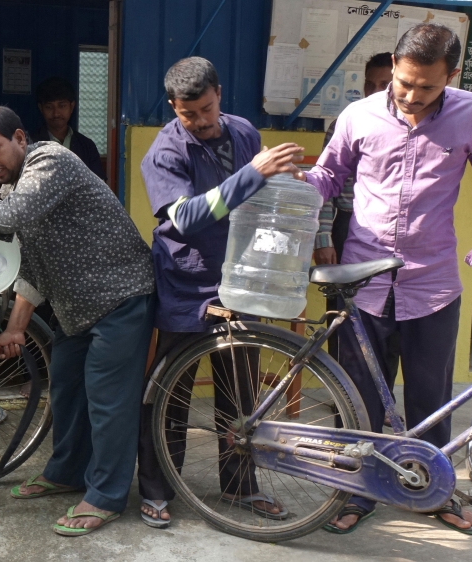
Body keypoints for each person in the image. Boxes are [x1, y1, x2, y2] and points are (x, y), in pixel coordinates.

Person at [306, 23, 472, 535]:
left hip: (433, 283)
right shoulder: (358, 115)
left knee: (432, 398)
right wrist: (297, 185)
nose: (410, 96)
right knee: (357, 397)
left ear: (451, 76)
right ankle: (353, 494)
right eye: (404, 82)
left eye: (426, 87)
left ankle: (431, 492)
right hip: (362, 282)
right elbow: (329, 175)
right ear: (394, 68)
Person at [0, 106, 155, 536]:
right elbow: (32, 267)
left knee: (108, 402)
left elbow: (10, 216)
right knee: (66, 389)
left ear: (19, 138)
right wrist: (16, 327)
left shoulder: (49, 160)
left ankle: (105, 495)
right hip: (76, 309)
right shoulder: (15, 188)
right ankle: (68, 471)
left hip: (121, 296)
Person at [137, 56, 304, 528]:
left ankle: (240, 485)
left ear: (219, 95)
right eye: (189, 114)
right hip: (186, 282)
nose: (201, 121)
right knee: (170, 392)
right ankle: (156, 489)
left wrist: (287, 182)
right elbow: (187, 217)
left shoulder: (244, 133)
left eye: (207, 109)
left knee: (240, 394)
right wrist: (254, 173)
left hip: (241, 281)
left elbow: (260, 194)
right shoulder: (165, 151)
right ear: (174, 108)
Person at [314, 53, 403, 426]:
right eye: (371, 84)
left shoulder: (411, 124)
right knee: (348, 331)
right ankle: (348, 417)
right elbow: (325, 183)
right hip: (348, 228)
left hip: (394, 235)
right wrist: (323, 238)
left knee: (391, 331)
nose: (377, 91)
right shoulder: (348, 121)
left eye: (386, 84)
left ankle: (380, 409)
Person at [32, 77, 105, 179]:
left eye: (62, 106)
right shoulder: (30, 145)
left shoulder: (87, 146)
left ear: (72, 106)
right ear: (41, 108)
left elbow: (98, 185)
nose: (56, 113)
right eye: (49, 107)